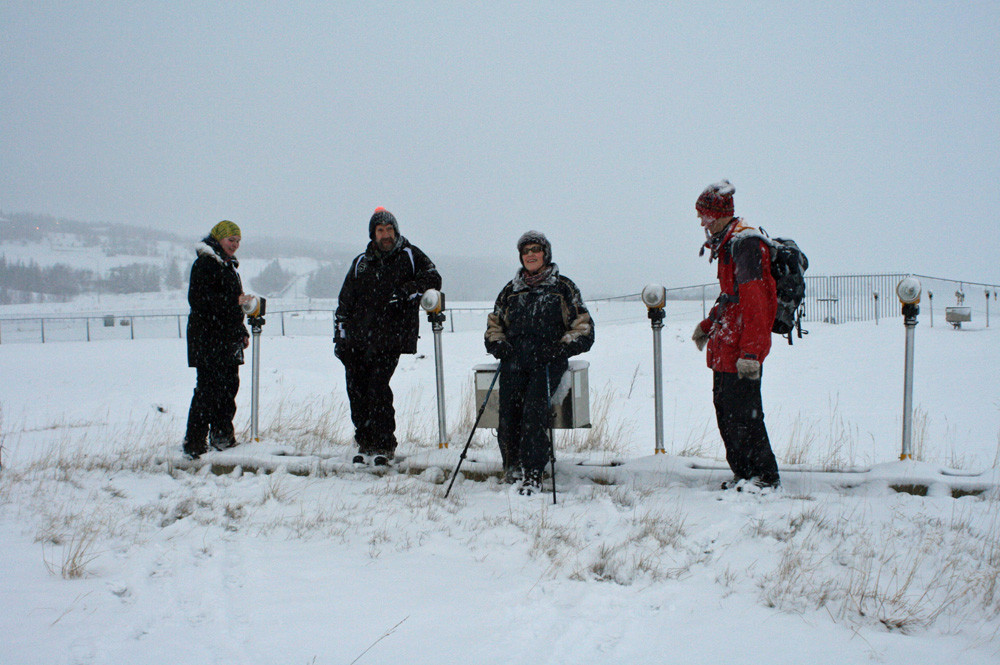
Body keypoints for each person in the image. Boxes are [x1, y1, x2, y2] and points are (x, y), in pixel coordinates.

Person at [484, 231, 595, 495]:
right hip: (515, 360)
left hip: (548, 361)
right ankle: (512, 466)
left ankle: (534, 471)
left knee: (534, 411)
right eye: (525, 251)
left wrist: (559, 348)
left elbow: (583, 328)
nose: (531, 255)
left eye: (536, 249)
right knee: (508, 411)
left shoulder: (563, 288)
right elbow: (494, 326)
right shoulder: (511, 291)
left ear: (546, 253)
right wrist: (499, 344)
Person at [691, 181, 781, 491]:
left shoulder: (744, 245)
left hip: (741, 350)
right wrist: (708, 325)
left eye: (704, 216)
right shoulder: (728, 242)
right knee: (728, 413)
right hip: (727, 345)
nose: (702, 222)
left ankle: (764, 478)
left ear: (717, 215)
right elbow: (730, 297)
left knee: (746, 416)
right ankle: (744, 475)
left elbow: (756, 301)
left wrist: (751, 354)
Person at [334, 207, 441, 466]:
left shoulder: (410, 255)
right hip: (358, 339)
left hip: (390, 337)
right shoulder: (361, 262)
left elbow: (434, 278)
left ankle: (384, 444)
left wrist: (409, 290)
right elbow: (345, 301)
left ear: (396, 231)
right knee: (356, 391)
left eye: (389, 230)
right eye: (380, 230)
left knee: (377, 389)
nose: (386, 235)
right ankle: (365, 443)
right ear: (373, 234)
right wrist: (340, 337)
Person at [183, 220, 251, 459]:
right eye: (231, 240)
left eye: (237, 241)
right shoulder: (205, 264)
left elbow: (234, 303)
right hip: (208, 338)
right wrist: (233, 303)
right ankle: (194, 442)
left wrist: (241, 331)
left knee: (228, 387)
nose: (235, 245)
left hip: (227, 338)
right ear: (219, 239)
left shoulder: (228, 266)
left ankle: (222, 435)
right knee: (208, 390)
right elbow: (200, 301)